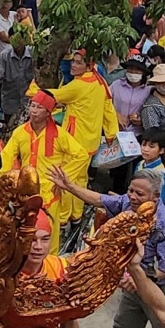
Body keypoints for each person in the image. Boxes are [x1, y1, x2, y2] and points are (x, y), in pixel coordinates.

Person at [48, 166, 165, 328]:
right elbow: (99, 199)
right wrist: (68, 186)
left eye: (139, 194)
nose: (133, 197)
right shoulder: (128, 203)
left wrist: (141, 281)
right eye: (130, 191)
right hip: (132, 281)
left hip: (158, 288)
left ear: (155, 196)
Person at [53, 52, 120, 248]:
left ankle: (64, 222)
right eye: (72, 61)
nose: (72, 65)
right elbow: (109, 109)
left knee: (64, 181)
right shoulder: (100, 82)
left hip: (74, 143)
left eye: (77, 62)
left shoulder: (78, 85)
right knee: (80, 180)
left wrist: (33, 89)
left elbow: (54, 96)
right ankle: (76, 217)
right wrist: (110, 133)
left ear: (89, 65)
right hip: (90, 143)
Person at [0, 88, 68, 250]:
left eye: (39, 107)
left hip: (49, 191)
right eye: (32, 106)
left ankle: (49, 267)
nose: (33, 111)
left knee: (49, 234)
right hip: (25, 192)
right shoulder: (20, 132)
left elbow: (80, 155)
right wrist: (5, 181)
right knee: (25, 231)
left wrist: (63, 179)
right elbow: (7, 156)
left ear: (48, 113)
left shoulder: (60, 135)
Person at [0, 27, 34, 132]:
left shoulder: (33, 53)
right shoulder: (4, 56)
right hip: (10, 102)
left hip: (30, 103)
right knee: (10, 131)